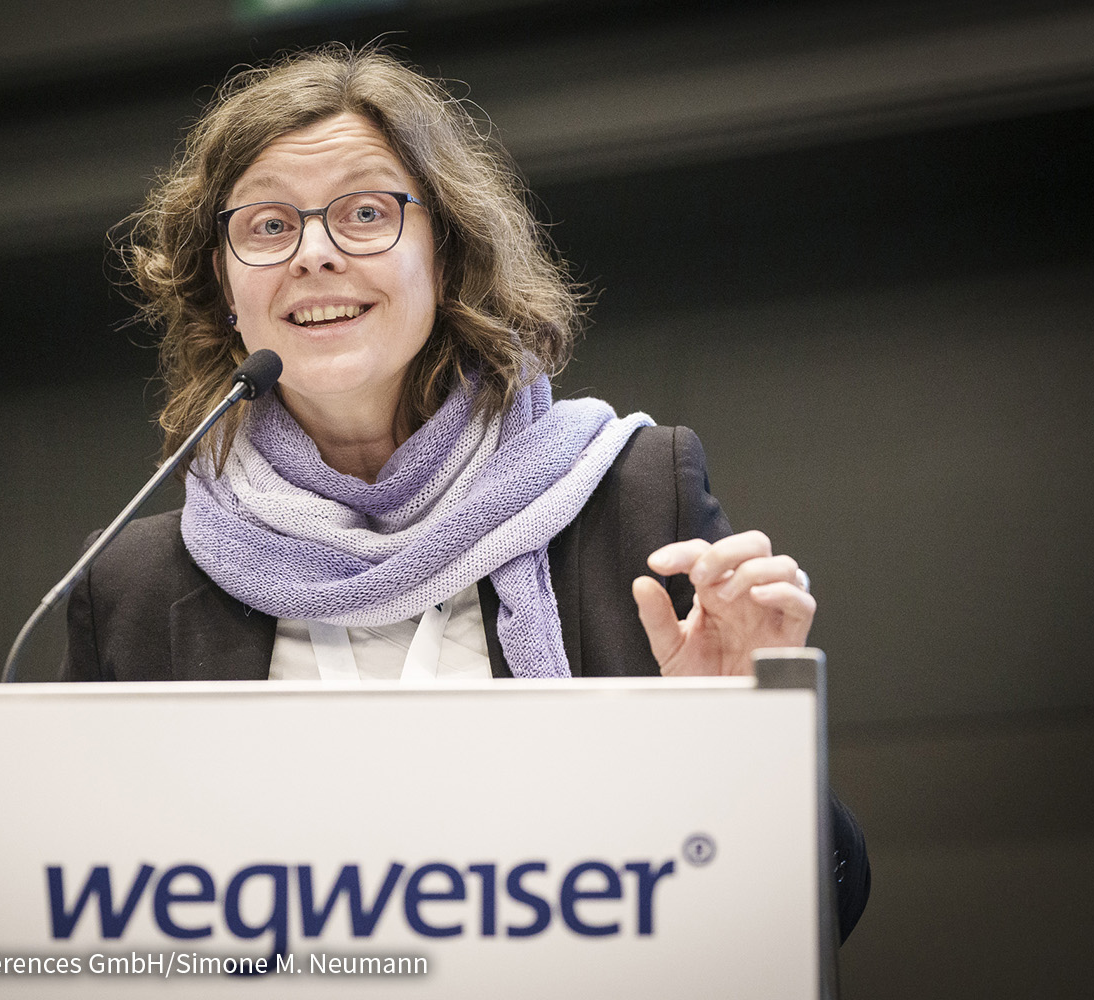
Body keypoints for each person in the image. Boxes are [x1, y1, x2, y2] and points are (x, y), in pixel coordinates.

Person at [64, 43, 867, 938]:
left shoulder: (632, 498)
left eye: (365, 213)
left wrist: (745, 745)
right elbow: (79, 916)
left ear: (445, 254)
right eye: (267, 225)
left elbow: (812, 916)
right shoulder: (133, 588)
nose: (314, 254)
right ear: (223, 283)